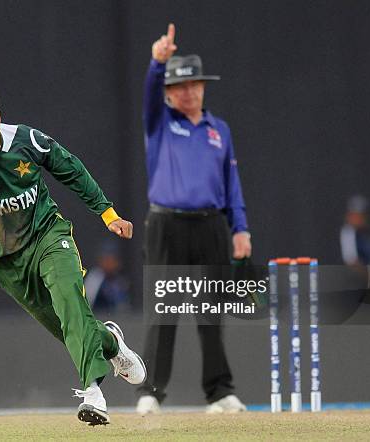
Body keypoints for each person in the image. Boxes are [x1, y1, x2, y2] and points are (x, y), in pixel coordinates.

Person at [0, 81, 146, 425]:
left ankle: (93, 393)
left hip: (49, 236)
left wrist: (108, 214)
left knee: (69, 300)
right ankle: (111, 344)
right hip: (9, 265)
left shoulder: (25, 139)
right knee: (67, 326)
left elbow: (70, 168)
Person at [136, 24, 251, 415]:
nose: (188, 92)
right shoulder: (161, 124)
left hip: (211, 225)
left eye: (194, 85)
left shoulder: (220, 130)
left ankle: (219, 392)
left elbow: (230, 182)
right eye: (179, 86)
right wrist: (157, 63)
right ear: (169, 93)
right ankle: (150, 392)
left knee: (211, 310)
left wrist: (240, 228)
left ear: (203, 87)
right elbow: (149, 95)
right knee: (164, 310)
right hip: (167, 225)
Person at [85, 241, 131, 313]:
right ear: (100, 261)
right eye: (106, 260)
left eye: (112, 260)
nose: (109, 264)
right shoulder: (95, 278)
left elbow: (124, 306)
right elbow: (87, 303)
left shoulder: (120, 280)